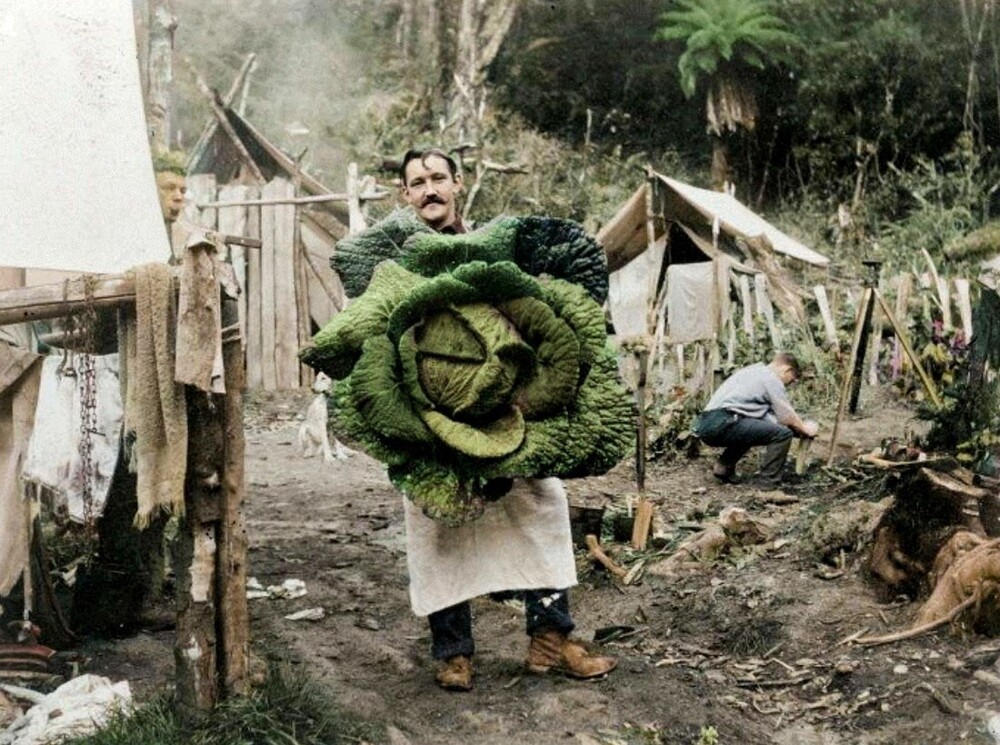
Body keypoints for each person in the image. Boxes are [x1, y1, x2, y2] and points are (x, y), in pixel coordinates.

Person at [396, 147, 617, 691]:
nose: (429, 189)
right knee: (437, 529)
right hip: (431, 419)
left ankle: (551, 637)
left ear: (458, 184)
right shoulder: (393, 261)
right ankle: (453, 652)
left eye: (438, 178)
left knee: (543, 509)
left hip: (513, 409)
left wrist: (521, 392)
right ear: (405, 195)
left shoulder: (504, 244)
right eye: (418, 182)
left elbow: (544, 317)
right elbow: (378, 341)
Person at [693, 352, 818, 487]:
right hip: (722, 421)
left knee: (752, 428)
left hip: (707, 424)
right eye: (792, 379)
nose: (790, 383)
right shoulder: (771, 378)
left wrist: (796, 428)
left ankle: (723, 468)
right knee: (782, 434)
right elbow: (786, 416)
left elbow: (770, 421)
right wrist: (805, 429)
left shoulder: (753, 371)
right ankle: (768, 484)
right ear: (787, 370)